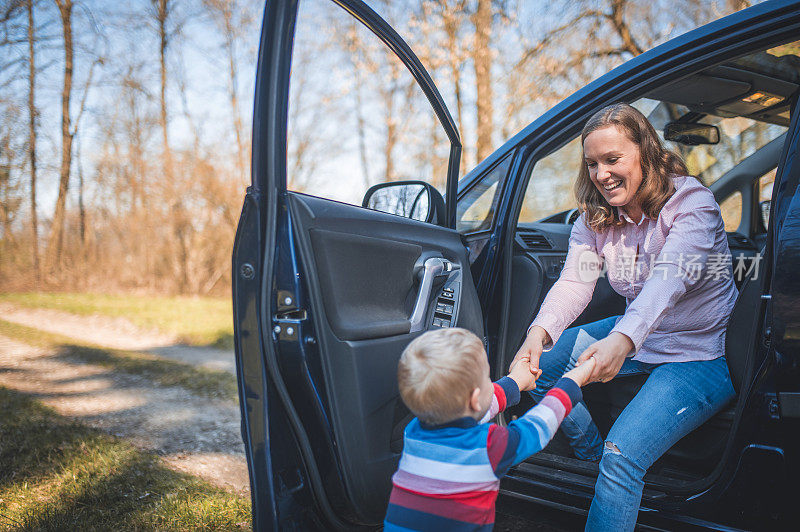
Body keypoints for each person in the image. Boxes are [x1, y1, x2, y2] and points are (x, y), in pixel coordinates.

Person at [511, 102, 737, 531]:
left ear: (645, 153)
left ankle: (608, 465)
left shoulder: (693, 204)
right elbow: (576, 283)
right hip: (639, 335)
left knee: (623, 456)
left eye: (612, 160)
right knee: (541, 367)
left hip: (699, 352)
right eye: (592, 163)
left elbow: (668, 280)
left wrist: (623, 339)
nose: (601, 174)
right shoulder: (596, 217)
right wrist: (537, 335)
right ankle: (589, 453)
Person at [384, 327, 596, 531]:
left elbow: (472, 410)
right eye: (487, 379)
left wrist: (514, 382)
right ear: (475, 399)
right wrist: (569, 383)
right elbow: (537, 428)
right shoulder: (490, 447)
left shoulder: (414, 432)